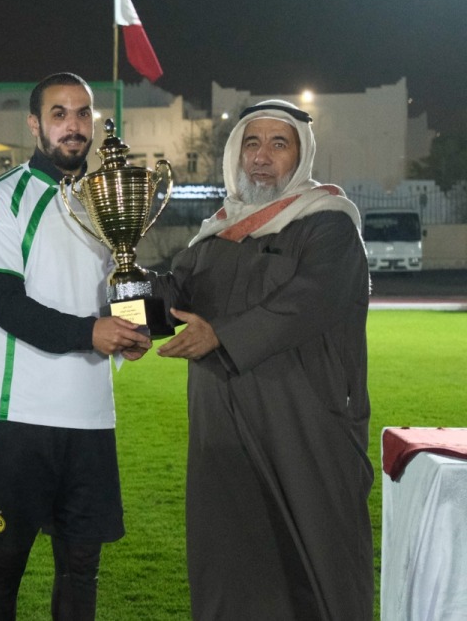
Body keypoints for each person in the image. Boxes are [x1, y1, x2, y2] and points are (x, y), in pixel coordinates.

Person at [153, 100, 372, 620]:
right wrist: (125, 300)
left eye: (279, 144)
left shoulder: (327, 224)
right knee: (231, 561)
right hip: (221, 428)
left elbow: (306, 303)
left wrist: (221, 336)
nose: (261, 157)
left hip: (301, 422)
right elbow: (173, 293)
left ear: (301, 155)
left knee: (314, 560)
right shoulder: (218, 230)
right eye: (252, 143)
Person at [0, 72, 152, 621]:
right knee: (3, 571)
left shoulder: (106, 199)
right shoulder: (3, 196)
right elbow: (7, 304)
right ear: (35, 123)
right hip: (21, 413)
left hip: (92, 415)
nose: (73, 126)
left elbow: (119, 280)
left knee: (81, 569)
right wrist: (89, 333)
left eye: (82, 114)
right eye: (59, 114)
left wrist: (132, 327)